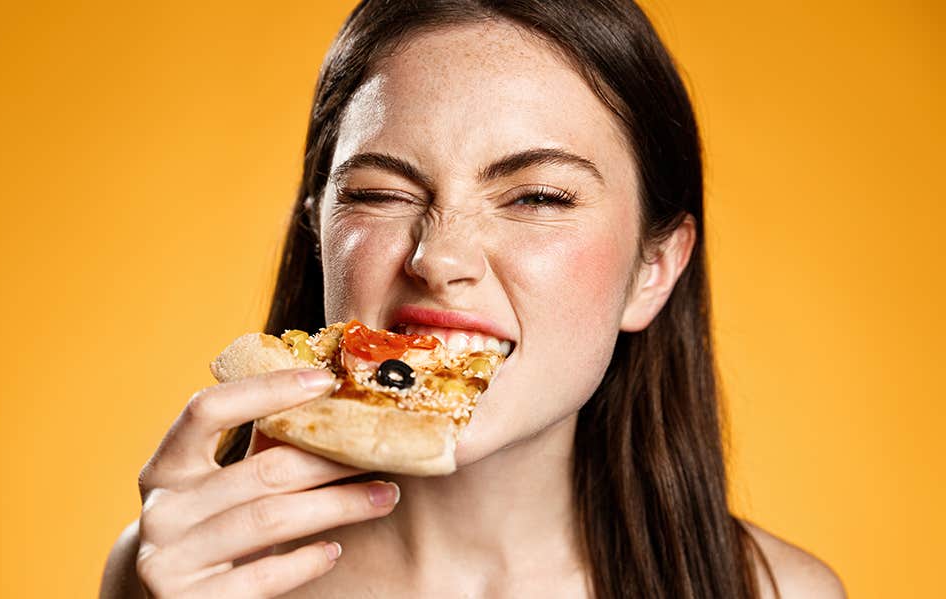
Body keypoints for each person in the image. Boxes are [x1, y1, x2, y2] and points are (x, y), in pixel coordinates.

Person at [100, 1, 847, 597]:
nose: (439, 259)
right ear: (319, 230)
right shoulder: (186, 572)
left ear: (652, 270)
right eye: (379, 193)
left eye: (538, 197)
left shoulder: (779, 593)